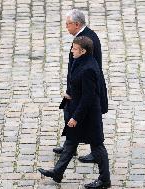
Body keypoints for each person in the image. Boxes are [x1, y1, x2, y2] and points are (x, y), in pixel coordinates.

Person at [38, 36, 111, 189]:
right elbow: (78, 85)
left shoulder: (89, 68)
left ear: (83, 51)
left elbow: (89, 97)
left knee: (97, 146)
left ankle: (105, 180)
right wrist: (70, 93)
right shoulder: (81, 61)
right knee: (71, 142)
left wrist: (76, 118)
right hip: (78, 108)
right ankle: (58, 172)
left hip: (88, 116)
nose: (72, 51)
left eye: (74, 48)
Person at [54, 9, 107, 164]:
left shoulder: (87, 39)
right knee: (68, 111)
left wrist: (72, 91)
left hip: (84, 88)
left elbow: (86, 69)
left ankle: (85, 149)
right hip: (77, 86)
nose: (66, 27)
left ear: (76, 24)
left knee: (84, 118)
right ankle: (70, 145)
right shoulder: (82, 37)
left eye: (68, 24)